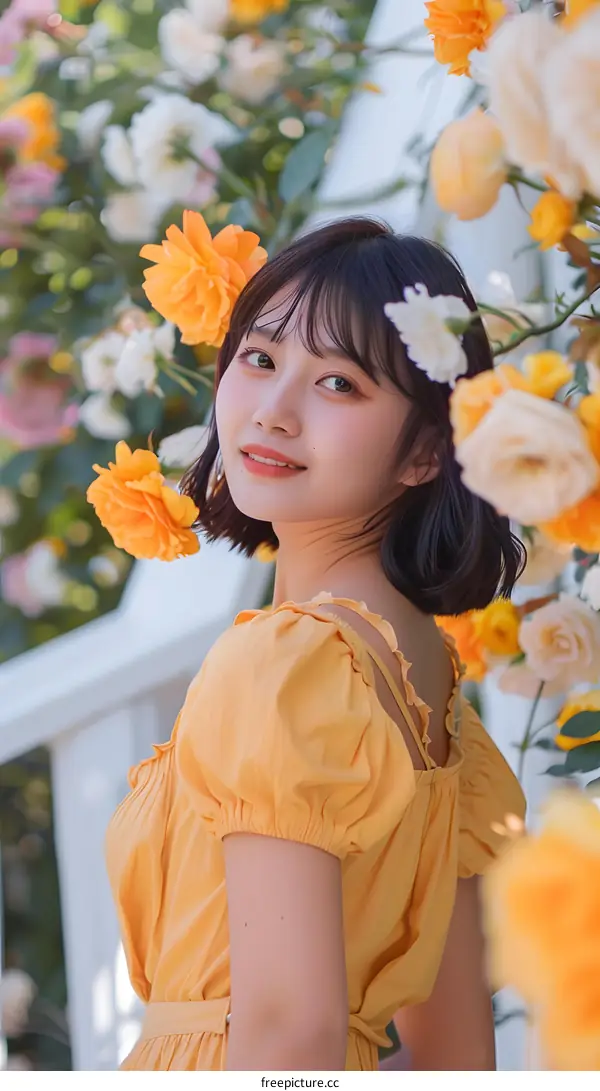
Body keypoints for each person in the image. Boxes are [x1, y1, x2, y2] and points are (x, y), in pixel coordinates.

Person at [106, 217, 526, 1072]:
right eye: (260, 359)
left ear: (425, 450)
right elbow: (454, 1056)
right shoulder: (428, 678)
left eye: (337, 383)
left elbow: (292, 1032)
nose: (272, 410)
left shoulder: (285, 666)